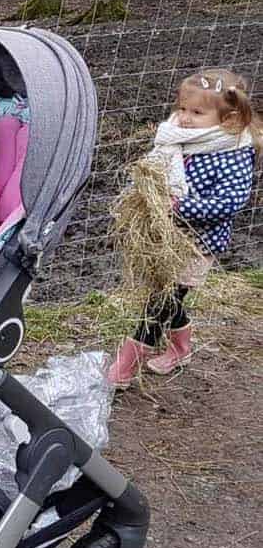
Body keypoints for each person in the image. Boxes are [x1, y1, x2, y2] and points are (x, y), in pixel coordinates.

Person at [108, 69, 258, 387]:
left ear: (229, 118)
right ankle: (180, 348)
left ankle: (123, 367)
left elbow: (230, 203)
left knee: (162, 300)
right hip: (166, 236)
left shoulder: (233, 153)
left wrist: (178, 207)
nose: (185, 118)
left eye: (197, 112)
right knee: (167, 295)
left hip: (196, 242)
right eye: (183, 109)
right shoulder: (182, 138)